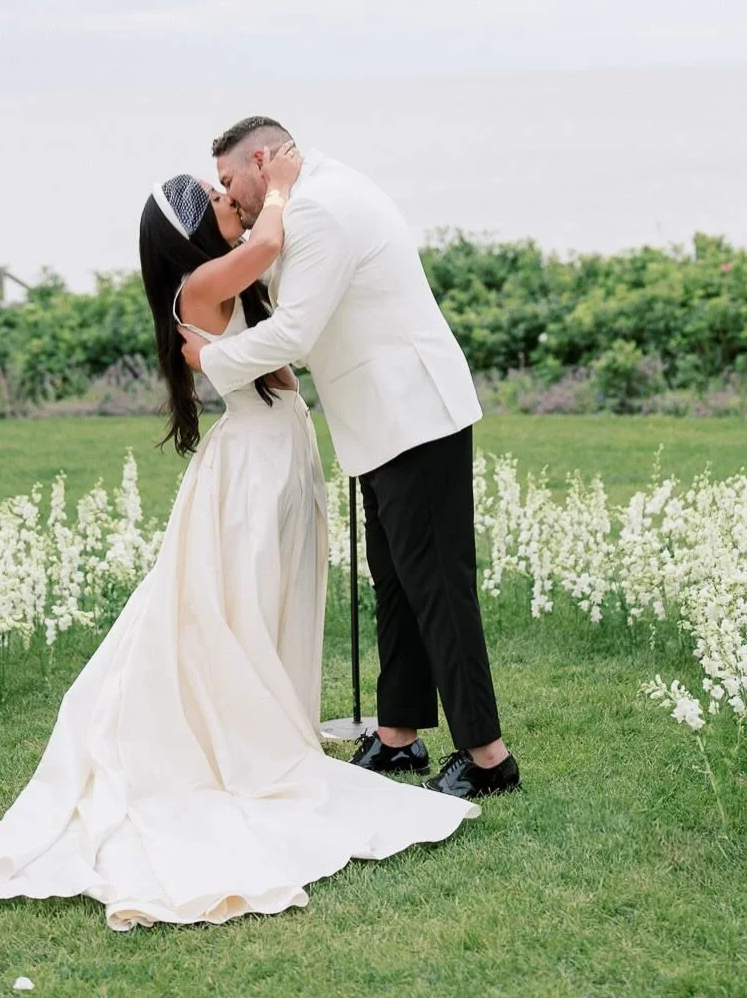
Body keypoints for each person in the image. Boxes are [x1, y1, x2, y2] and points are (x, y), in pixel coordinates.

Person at [0, 142, 476, 931]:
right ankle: (249, 746)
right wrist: (284, 189)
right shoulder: (203, 280)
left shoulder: (220, 279)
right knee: (240, 610)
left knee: (263, 604)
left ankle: (276, 728)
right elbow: (269, 247)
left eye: (232, 187)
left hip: (278, 450)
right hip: (253, 466)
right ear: (195, 232)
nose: (236, 200)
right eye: (220, 198)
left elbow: (289, 304)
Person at [181, 116, 520, 801]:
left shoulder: (321, 210)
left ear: (263, 160)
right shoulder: (312, 197)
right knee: (397, 581)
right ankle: (398, 736)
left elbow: (297, 331)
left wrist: (211, 360)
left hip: (414, 416)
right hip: (383, 420)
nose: (230, 197)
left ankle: (489, 757)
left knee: (439, 589)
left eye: (229, 181)